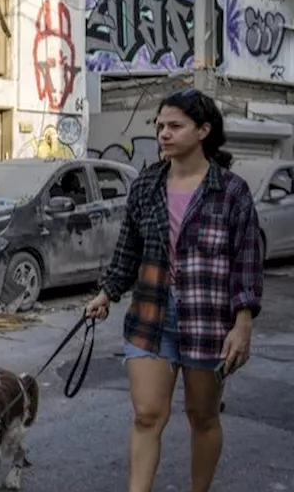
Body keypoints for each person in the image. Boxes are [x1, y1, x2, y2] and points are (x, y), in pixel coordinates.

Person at [84, 88, 263, 492]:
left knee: (202, 416)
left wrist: (243, 322)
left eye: (174, 126)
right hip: (150, 314)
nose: (164, 133)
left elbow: (246, 260)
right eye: (160, 125)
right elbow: (129, 247)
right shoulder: (147, 185)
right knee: (148, 415)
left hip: (208, 320)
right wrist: (107, 293)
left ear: (203, 130)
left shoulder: (231, 192)